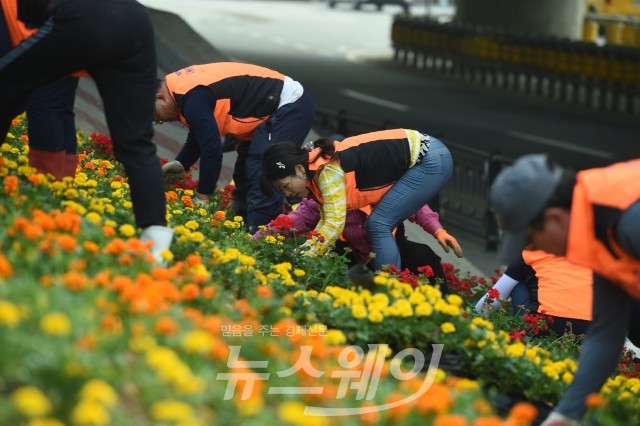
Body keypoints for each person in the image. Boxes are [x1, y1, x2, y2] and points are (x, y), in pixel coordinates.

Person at [0, 0, 173, 261]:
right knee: (136, 143)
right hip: (135, 22)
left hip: (84, 15)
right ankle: (156, 247)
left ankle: (46, 188)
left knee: (9, 85)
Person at [489, 154, 640, 426]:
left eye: (532, 240)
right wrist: (564, 415)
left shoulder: (627, 219)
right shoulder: (598, 229)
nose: (538, 251)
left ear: (555, 218)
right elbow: (606, 333)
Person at [260, 128, 454, 271]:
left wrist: (300, 259)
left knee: (378, 224)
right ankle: (390, 289)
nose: (286, 194)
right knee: (378, 224)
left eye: (285, 186)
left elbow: (334, 224)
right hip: (428, 153)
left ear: (300, 170)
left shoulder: (327, 172)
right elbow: (324, 224)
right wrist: (256, 241)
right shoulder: (318, 174)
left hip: (428, 158)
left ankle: (390, 290)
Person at [154, 62, 315, 231]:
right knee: (244, 171)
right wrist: (181, 163)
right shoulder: (181, 90)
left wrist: (202, 197)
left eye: (156, 116)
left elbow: (211, 148)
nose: (161, 121)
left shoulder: (190, 95)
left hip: (290, 104)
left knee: (263, 172)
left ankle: (260, 237)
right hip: (268, 107)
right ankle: (243, 230)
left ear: (160, 97)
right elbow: (200, 131)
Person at [253, 197, 464, 290]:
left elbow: (416, 205)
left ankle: (443, 317)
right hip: (350, 255)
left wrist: (438, 230)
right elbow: (291, 222)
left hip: (393, 249)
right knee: (332, 272)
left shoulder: (379, 184)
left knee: (423, 256)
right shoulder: (323, 196)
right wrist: (255, 241)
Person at [0, 0, 79, 180]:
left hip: (34, 12)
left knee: (45, 99)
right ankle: (58, 187)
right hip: (79, 17)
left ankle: (46, 184)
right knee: (59, 101)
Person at [475, 249, 592, 336]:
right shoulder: (590, 254)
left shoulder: (532, 250)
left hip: (542, 326)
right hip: (589, 333)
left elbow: (496, 294)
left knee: (517, 282)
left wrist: (472, 321)